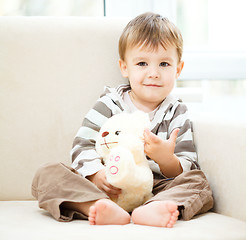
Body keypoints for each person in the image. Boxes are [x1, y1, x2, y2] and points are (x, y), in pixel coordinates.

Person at [32, 12, 213, 228]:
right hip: (109, 185)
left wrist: (167, 160)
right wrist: (97, 175)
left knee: (199, 182)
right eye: (142, 63)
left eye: (164, 64)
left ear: (178, 69)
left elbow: (188, 165)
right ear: (125, 67)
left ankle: (153, 209)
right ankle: (95, 205)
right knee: (47, 174)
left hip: (156, 187)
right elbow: (82, 145)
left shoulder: (177, 111)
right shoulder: (109, 104)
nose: (153, 73)